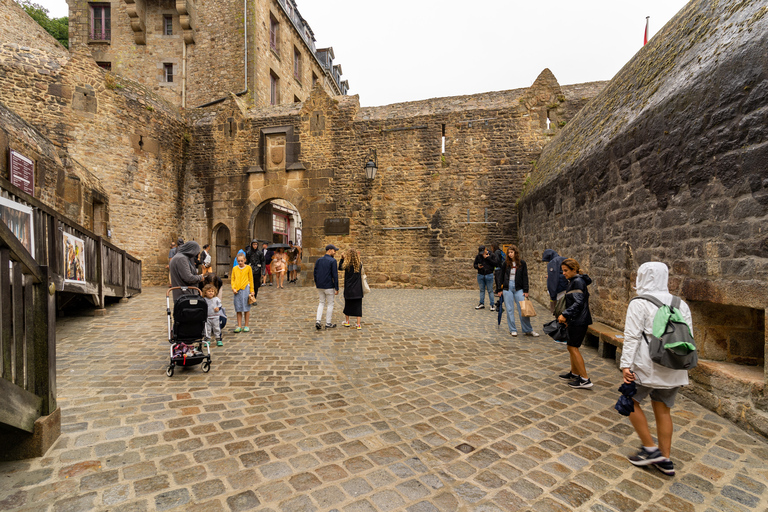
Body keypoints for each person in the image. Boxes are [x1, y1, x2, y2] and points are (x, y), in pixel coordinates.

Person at [620, 262, 692, 477]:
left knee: (629, 402)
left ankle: (651, 449)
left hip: (646, 365)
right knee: (663, 410)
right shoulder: (681, 304)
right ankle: (665, 459)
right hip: (674, 366)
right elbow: (688, 336)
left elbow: (632, 336)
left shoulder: (639, 303)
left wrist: (625, 365)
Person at [557, 258, 594, 389]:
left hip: (579, 320)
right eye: (563, 271)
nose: (564, 273)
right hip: (576, 319)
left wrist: (565, 314)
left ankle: (584, 379)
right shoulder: (575, 280)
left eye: (566, 271)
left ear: (574, 270)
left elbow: (578, 303)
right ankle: (574, 373)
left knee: (573, 347)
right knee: (570, 346)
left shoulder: (577, 282)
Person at [494, 245, 539, 337]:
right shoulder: (505, 263)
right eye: (509, 253)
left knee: (523, 308)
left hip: (519, 288)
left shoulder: (522, 263)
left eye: (511, 252)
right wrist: (499, 289)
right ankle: (513, 329)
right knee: (510, 309)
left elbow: (525, 277)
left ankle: (528, 329)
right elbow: (500, 277)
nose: (510, 254)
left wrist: (526, 290)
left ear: (515, 253)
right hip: (507, 288)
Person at [314, 244, 339, 330]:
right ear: (329, 250)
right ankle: (328, 323)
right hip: (329, 286)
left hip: (320, 286)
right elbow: (335, 275)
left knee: (321, 303)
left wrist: (317, 283)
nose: (335, 252)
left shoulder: (319, 260)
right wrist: (337, 287)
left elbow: (315, 273)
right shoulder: (333, 261)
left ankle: (318, 321)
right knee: (330, 304)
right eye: (334, 250)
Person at [339, 248, 364, 329]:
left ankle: (347, 321)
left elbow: (340, 267)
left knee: (348, 305)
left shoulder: (347, 265)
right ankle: (358, 324)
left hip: (349, 289)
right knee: (358, 306)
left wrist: (342, 259)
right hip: (357, 290)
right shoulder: (359, 264)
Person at [231, 253, 255, 333]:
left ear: (245, 260)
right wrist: (233, 288)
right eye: (239, 261)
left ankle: (246, 325)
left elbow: (251, 279)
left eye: (242, 261)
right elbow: (233, 279)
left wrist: (252, 290)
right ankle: (239, 325)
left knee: (246, 308)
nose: (240, 262)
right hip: (237, 290)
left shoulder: (248, 268)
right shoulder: (234, 269)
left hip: (246, 289)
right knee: (238, 308)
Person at [542, 249, 568, 315]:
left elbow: (553, 280)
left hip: (558, 291)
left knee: (557, 312)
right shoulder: (565, 259)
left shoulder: (553, 262)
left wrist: (552, 295)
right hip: (566, 289)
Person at [473, 245, 497, 310]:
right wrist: (478, 266)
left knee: (490, 290)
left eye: (483, 252)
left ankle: (492, 304)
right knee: (482, 290)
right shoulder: (478, 256)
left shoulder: (492, 255)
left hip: (489, 274)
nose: (482, 254)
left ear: (486, 249)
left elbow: (495, 263)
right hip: (480, 275)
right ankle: (481, 303)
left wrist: (488, 258)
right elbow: (474, 264)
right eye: (481, 252)